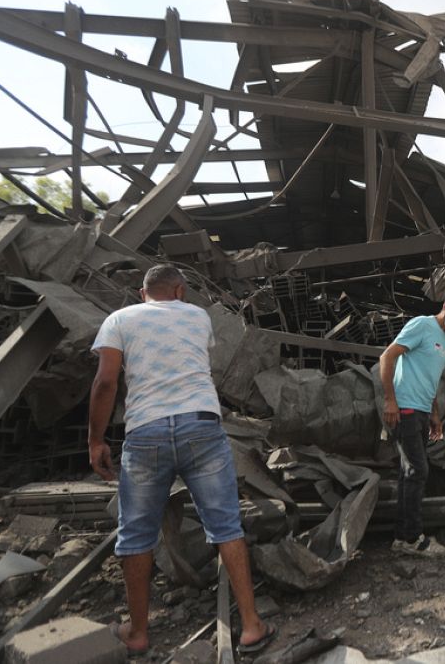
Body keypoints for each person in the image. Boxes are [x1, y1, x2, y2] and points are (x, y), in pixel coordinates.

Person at [87, 265, 274, 656]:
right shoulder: (197, 315)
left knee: (136, 534)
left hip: (146, 432)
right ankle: (252, 625)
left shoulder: (118, 319)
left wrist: (96, 440)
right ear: (180, 290)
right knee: (225, 526)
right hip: (201, 426)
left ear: (142, 293)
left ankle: (138, 633)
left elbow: (106, 382)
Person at [379, 289, 445, 557]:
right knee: (418, 471)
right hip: (405, 409)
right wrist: (389, 401)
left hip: (421, 411)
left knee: (409, 474)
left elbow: (430, 378)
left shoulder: (444, 339)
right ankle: (412, 538)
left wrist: (433, 414)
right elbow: (387, 357)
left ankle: (402, 537)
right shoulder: (421, 324)